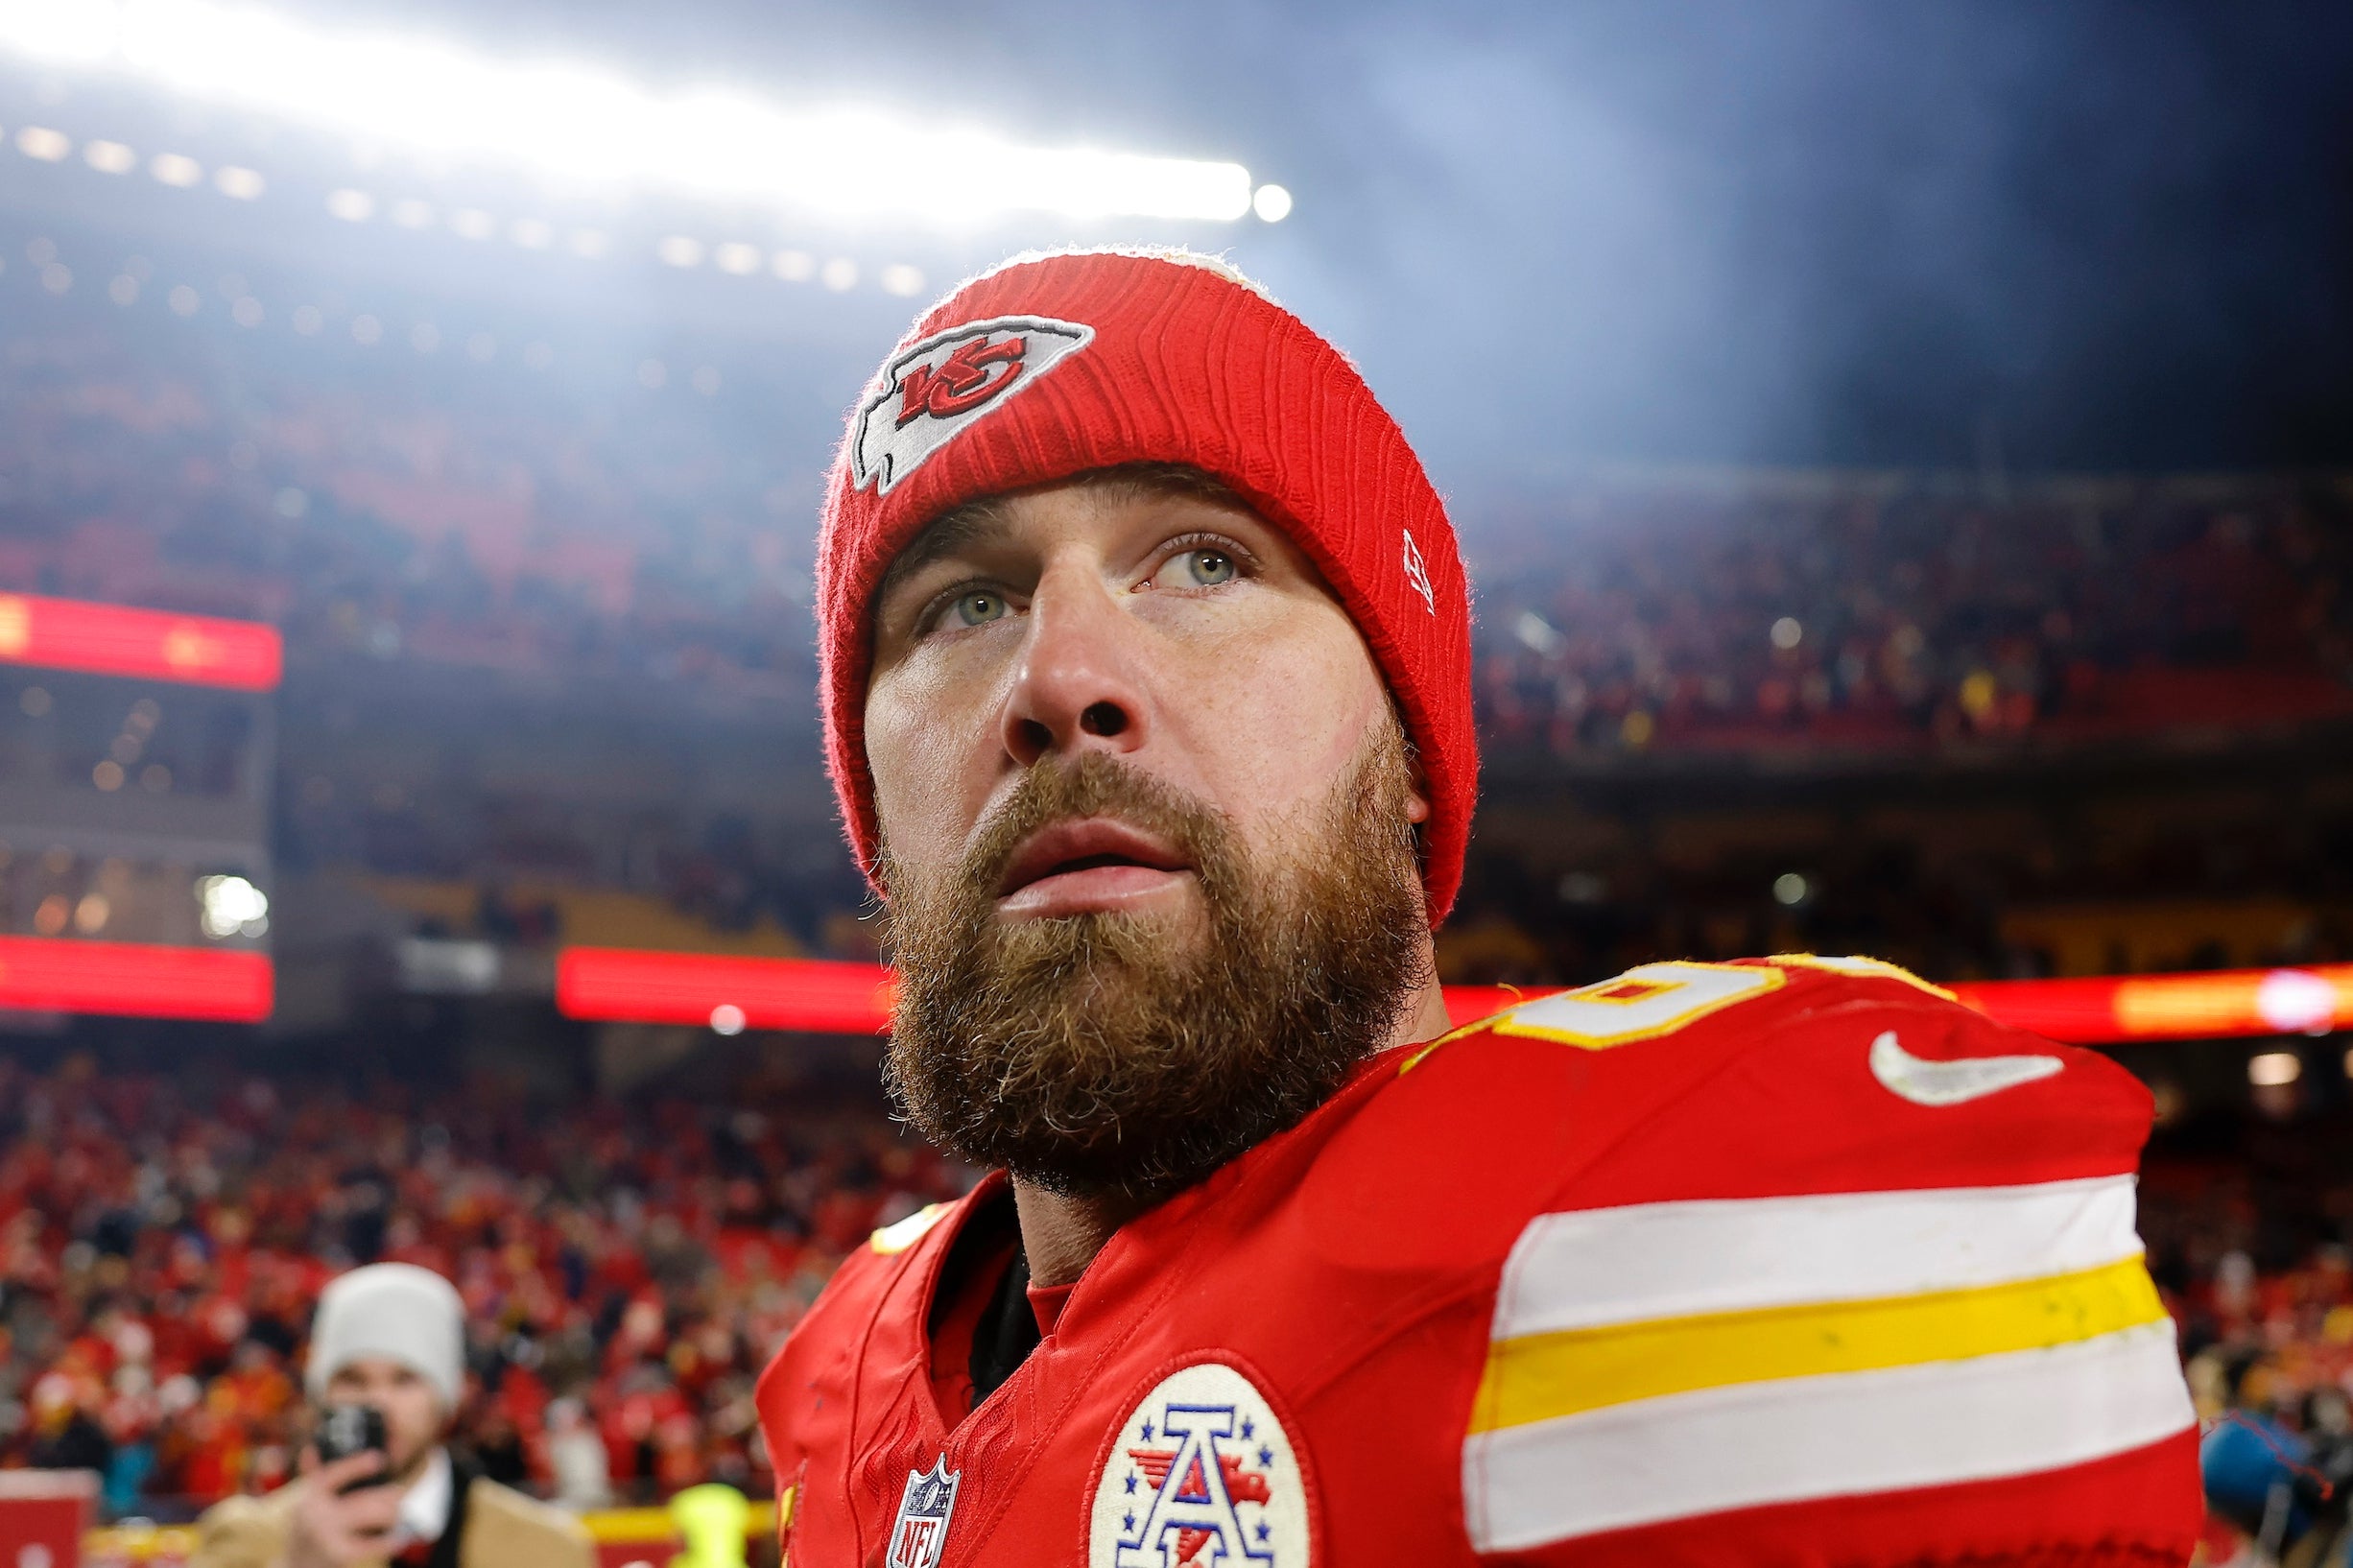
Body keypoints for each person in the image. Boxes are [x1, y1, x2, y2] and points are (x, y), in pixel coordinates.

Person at [753, 248, 2203, 1565]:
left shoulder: (1672, 1227)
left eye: (1205, 559)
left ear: (1413, 758)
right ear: (872, 809)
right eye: (960, 603)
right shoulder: (847, 1364)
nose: (1060, 675)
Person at [191, 1263, 593, 1568]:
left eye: (405, 1380)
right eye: (352, 1379)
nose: (377, 1401)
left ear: (448, 1395)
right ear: (320, 1394)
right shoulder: (245, 1540)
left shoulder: (548, 1550)